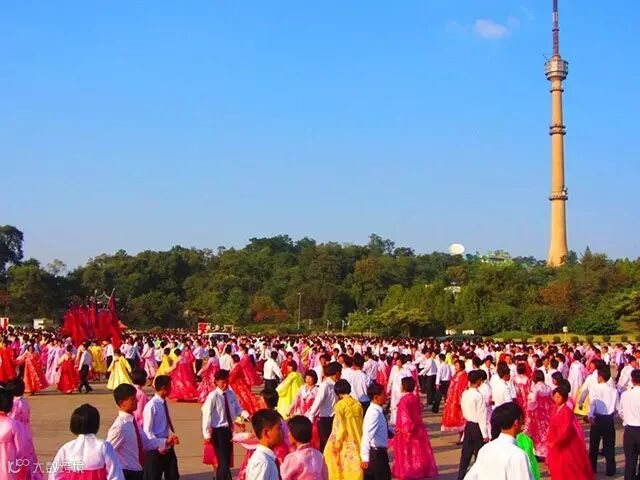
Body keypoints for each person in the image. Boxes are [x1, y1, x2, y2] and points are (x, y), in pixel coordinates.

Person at [107, 384, 177, 480]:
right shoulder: (119, 427)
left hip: (138, 472)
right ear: (122, 402)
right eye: (132, 399)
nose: (136, 401)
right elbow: (107, 452)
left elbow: (146, 443)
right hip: (127, 473)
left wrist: (166, 442)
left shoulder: (132, 422)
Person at [50, 403, 124, 480]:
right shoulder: (103, 446)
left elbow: (54, 475)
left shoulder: (66, 448)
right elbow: (115, 474)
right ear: (96, 424)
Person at [463, 402, 533, 480]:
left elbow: (470, 477)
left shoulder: (485, 449)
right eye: (522, 419)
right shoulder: (518, 455)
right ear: (516, 423)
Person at [201, 369, 248, 480]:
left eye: (227, 382)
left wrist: (246, 415)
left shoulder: (231, 394)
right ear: (216, 382)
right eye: (223, 382)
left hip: (228, 431)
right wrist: (206, 435)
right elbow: (206, 415)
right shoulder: (213, 396)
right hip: (218, 432)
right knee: (222, 461)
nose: (225, 384)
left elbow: (237, 409)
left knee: (226, 460)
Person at [392, 377, 438, 479]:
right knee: (418, 450)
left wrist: (405, 430)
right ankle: (420, 470)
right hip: (418, 427)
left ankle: (408, 471)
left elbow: (405, 417)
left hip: (406, 430)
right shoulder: (415, 398)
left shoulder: (404, 400)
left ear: (404, 387)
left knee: (407, 452)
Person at [546, 386, 593, 480]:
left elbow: (567, 430)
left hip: (566, 442)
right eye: (555, 396)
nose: (556, 399)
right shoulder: (555, 409)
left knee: (569, 466)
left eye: (558, 397)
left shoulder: (566, 411)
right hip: (555, 440)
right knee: (557, 465)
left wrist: (556, 442)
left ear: (564, 398)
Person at [324, 379, 364, 480]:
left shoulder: (340, 405)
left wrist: (337, 442)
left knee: (336, 461)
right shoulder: (358, 404)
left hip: (345, 439)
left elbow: (340, 426)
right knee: (355, 464)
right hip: (357, 437)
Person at [142, 375, 180, 480]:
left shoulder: (163, 403)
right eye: (170, 386)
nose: (171, 388)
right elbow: (147, 430)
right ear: (164, 388)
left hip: (167, 443)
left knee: (173, 475)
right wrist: (159, 445)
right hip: (155, 447)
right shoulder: (152, 405)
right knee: (153, 476)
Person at [458, 370, 489, 480]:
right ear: (479, 381)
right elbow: (481, 415)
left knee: (466, 453)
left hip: (469, 424)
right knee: (479, 453)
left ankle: (461, 476)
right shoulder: (478, 395)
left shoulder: (465, 393)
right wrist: (485, 434)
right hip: (477, 426)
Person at [7, 379, 40, 480]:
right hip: (26, 431)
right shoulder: (24, 402)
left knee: (16, 455)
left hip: (17, 432)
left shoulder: (15, 404)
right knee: (28, 454)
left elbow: (11, 419)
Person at [586, 366, 617, 476]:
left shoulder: (595, 388)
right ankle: (610, 470)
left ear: (600, 377)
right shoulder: (613, 390)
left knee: (594, 445)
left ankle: (592, 467)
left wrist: (590, 416)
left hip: (597, 418)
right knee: (609, 446)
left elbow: (592, 404)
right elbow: (617, 407)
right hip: (608, 419)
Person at [307, 362, 342, 453]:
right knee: (325, 443)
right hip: (325, 418)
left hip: (334, 417)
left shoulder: (335, 384)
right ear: (337, 373)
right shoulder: (325, 385)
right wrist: (311, 416)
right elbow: (318, 401)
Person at [280, 415, 328, 480]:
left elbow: (283, 477)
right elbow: (325, 477)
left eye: (289, 431)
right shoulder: (319, 455)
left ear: (295, 433)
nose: (288, 434)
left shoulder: (293, 458)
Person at [360, 382, 391, 480]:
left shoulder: (378, 411)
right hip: (376, 455)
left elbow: (380, 428)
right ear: (376, 397)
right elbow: (367, 435)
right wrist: (365, 458)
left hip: (380, 453)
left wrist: (391, 432)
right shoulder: (374, 414)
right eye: (383, 394)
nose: (386, 396)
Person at [245, 409, 284, 480]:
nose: (283, 431)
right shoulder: (262, 462)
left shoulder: (268, 459)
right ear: (266, 433)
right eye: (279, 428)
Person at [524, 370, 554, 457]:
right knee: (546, 431)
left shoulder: (535, 388)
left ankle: (539, 452)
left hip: (537, 413)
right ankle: (546, 451)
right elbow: (552, 400)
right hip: (547, 412)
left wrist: (529, 411)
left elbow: (532, 400)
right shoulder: (548, 387)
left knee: (538, 432)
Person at [619, 369, 640, 480]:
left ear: (632, 380)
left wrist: (626, 419)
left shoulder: (625, 395)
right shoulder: (626, 394)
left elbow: (621, 411)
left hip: (630, 430)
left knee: (630, 461)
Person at [440, 360, 468, 435]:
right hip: (452, 399)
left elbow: (463, 388)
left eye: (457, 366)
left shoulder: (464, 376)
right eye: (455, 366)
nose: (455, 367)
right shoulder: (455, 375)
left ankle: (463, 436)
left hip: (459, 400)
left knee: (462, 418)